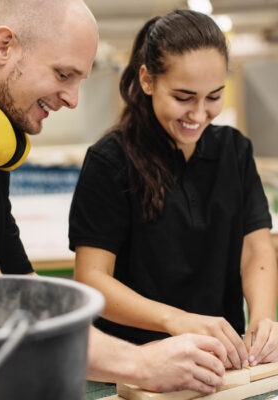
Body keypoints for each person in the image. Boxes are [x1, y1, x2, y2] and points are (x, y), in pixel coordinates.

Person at [0, 1, 227, 395]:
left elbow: (24, 290)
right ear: (4, 45)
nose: (73, 99)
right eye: (64, 74)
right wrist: (140, 362)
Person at [69, 8, 278, 377]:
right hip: (138, 365)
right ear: (147, 80)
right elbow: (92, 278)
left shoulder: (235, 151)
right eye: (184, 97)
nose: (198, 114)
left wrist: (262, 319)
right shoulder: (110, 161)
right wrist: (175, 321)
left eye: (214, 97)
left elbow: (256, 246)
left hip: (222, 364)